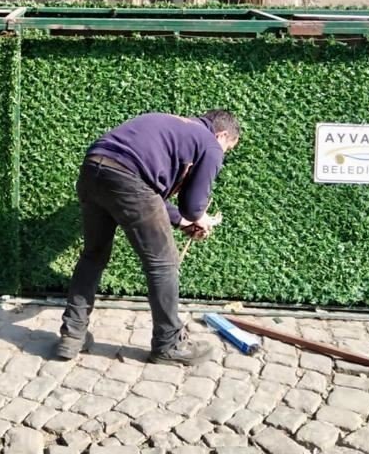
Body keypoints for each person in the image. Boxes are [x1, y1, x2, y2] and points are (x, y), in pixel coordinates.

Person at [54, 110, 240, 365]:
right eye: (227, 148)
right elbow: (191, 206)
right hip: (129, 179)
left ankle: (72, 335)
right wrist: (199, 218)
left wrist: (183, 220)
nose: (222, 155)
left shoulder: (174, 125)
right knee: (164, 263)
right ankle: (169, 344)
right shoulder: (210, 143)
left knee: (93, 255)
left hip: (93, 168)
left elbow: (147, 194)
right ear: (223, 134)